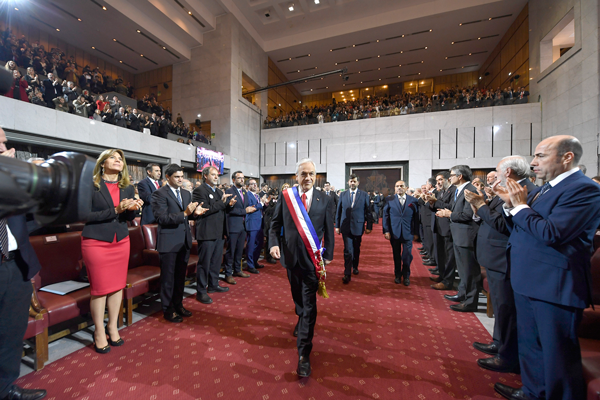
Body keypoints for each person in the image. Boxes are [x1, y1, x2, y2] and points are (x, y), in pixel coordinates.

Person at [492, 136, 600, 400]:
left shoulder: (584, 189)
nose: (533, 162)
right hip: (529, 279)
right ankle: (533, 391)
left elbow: (552, 233)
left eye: (540, 156)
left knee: (556, 356)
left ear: (567, 157)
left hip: (554, 285)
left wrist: (519, 206)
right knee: (531, 345)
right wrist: (511, 206)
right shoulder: (547, 188)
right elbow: (524, 226)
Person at [465, 156, 536, 375]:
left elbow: (502, 225)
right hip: (495, 256)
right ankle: (499, 343)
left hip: (504, 258)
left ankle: (506, 354)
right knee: (500, 305)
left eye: (497, 171)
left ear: (507, 173)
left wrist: (481, 205)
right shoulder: (508, 191)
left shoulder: (524, 192)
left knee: (506, 308)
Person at [269, 158, 334, 378]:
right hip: (290, 259)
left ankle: (304, 355)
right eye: (303, 174)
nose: (307, 178)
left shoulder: (324, 198)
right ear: (296, 176)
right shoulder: (287, 197)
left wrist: (330, 256)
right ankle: (299, 315)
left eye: (311, 174)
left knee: (309, 305)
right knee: (297, 297)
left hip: (312, 263)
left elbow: (329, 229)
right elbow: (274, 224)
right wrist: (273, 244)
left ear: (316, 176)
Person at [0, 127, 47, 400]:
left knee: (10, 334)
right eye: (3, 145)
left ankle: (6, 389)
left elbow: (35, 221)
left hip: (15, 265)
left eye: (6, 144)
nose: (9, 149)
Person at [81, 149, 142, 353]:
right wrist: (115, 210)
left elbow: (127, 218)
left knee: (117, 286)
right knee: (100, 289)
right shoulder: (90, 185)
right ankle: (99, 331)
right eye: (113, 158)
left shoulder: (127, 187)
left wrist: (133, 208)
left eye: (121, 159)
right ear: (102, 162)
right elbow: (84, 215)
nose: (118, 161)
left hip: (121, 240)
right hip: (96, 241)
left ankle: (112, 326)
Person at [151, 164, 207, 323]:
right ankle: (168, 310)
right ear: (167, 177)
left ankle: (178, 305)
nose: (181, 179)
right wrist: (185, 213)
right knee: (168, 278)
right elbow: (162, 218)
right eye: (177, 176)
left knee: (180, 277)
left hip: (184, 241)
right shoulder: (159, 194)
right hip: (168, 242)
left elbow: (187, 217)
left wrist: (195, 215)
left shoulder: (185, 193)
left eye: (182, 176)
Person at [435, 165, 481, 312]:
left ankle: (470, 301)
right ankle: (462, 293)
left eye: (452, 175)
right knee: (462, 269)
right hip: (458, 234)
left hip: (466, 236)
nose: (450, 177)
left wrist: (449, 215)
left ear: (460, 176)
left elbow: (468, 215)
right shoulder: (459, 190)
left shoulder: (470, 191)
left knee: (469, 270)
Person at [192, 166, 235, 304]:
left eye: (217, 175)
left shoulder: (217, 191)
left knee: (216, 261)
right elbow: (205, 210)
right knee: (204, 263)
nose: (217, 177)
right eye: (213, 174)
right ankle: (201, 291)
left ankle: (213, 284)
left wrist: (229, 205)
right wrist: (222, 203)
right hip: (206, 232)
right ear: (205, 176)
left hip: (218, 231)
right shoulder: (199, 191)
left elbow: (220, 209)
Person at [335, 174, 373, 284]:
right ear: (348, 182)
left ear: (358, 183)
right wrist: (337, 225)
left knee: (356, 249)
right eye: (351, 181)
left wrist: (369, 226)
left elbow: (368, 212)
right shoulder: (343, 194)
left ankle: (355, 266)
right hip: (345, 226)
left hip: (358, 226)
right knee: (348, 250)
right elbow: (339, 211)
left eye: (354, 181)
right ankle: (347, 273)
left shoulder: (364, 195)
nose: (352, 183)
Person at [382, 180, 419, 286]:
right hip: (394, 232)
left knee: (407, 256)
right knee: (396, 255)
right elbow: (386, 216)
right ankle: (397, 275)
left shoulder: (413, 200)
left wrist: (416, 232)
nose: (399, 188)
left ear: (406, 188)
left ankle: (406, 275)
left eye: (401, 186)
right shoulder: (389, 199)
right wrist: (386, 230)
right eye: (397, 186)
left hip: (408, 232)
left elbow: (416, 218)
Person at [224, 171, 257, 278]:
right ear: (233, 179)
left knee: (239, 250)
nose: (242, 180)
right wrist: (245, 211)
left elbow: (246, 206)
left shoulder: (244, 192)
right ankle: (228, 273)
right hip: (233, 225)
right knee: (231, 250)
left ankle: (238, 269)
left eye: (243, 178)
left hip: (243, 225)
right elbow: (228, 210)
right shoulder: (229, 191)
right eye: (239, 178)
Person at [428, 171, 457, 290]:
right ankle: (442, 275)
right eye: (437, 180)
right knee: (440, 254)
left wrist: (435, 201)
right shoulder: (442, 192)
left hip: (447, 227)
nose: (438, 182)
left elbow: (450, 207)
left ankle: (448, 281)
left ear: (448, 179)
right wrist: (431, 202)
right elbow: (436, 207)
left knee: (449, 256)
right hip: (438, 226)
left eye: (441, 180)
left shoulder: (454, 190)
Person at [245, 179, 265, 271]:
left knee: (259, 243)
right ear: (248, 186)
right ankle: (250, 265)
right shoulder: (247, 196)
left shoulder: (256, 195)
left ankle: (254, 261)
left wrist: (265, 204)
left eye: (255, 184)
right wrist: (261, 204)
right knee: (251, 245)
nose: (255, 185)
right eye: (252, 184)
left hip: (259, 222)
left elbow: (258, 208)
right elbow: (250, 208)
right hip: (252, 223)